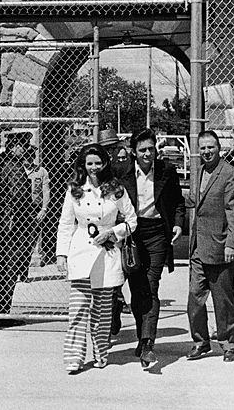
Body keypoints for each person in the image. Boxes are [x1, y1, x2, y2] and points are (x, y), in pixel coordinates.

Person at [56, 142, 137, 373]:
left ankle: (101, 353)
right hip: (81, 254)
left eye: (98, 163)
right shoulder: (74, 190)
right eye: (89, 163)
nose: (94, 168)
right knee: (78, 309)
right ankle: (74, 358)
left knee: (102, 311)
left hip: (107, 254)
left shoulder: (116, 189)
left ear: (105, 164)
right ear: (83, 165)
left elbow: (132, 220)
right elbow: (65, 224)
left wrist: (113, 232)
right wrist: (61, 254)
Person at [118, 127, 187, 370]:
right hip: (132, 233)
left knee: (151, 284)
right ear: (133, 152)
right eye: (142, 150)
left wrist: (179, 225)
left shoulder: (166, 170)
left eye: (151, 148)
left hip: (158, 232)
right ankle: (141, 335)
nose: (148, 154)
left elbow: (178, 201)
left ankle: (148, 343)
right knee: (137, 288)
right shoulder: (123, 172)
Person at [186, 129, 234, 362]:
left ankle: (228, 344)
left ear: (219, 148)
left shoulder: (230, 173)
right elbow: (195, 201)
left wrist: (231, 244)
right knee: (194, 297)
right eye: (203, 148)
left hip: (221, 248)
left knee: (223, 300)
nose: (207, 151)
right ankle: (201, 341)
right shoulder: (198, 172)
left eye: (211, 147)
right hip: (198, 247)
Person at [0, 134, 36, 322]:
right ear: (14, 146)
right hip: (11, 223)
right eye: (23, 145)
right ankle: (2, 313)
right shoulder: (14, 167)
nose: (25, 149)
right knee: (10, 268)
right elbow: (20, 196)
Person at [98, 128, 134, 337]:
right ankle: (111, 310)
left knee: (116, 275)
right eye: (107, 149)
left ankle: (114, 310)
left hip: (118, 229)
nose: (111, 153)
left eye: (113, 148)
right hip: (100, 228)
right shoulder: (97, 171)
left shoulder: (124, 168)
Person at [24, 145, 51, 273]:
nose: (28, 159)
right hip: (20, 208)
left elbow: (46, 191)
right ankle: (17, 269)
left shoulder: (41, 171)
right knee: (18, 241)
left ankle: (24, 270)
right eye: (26, 156)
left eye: (31, 156)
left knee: (32, 239)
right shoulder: (17, 170)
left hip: (35, 208)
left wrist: (44, 209)